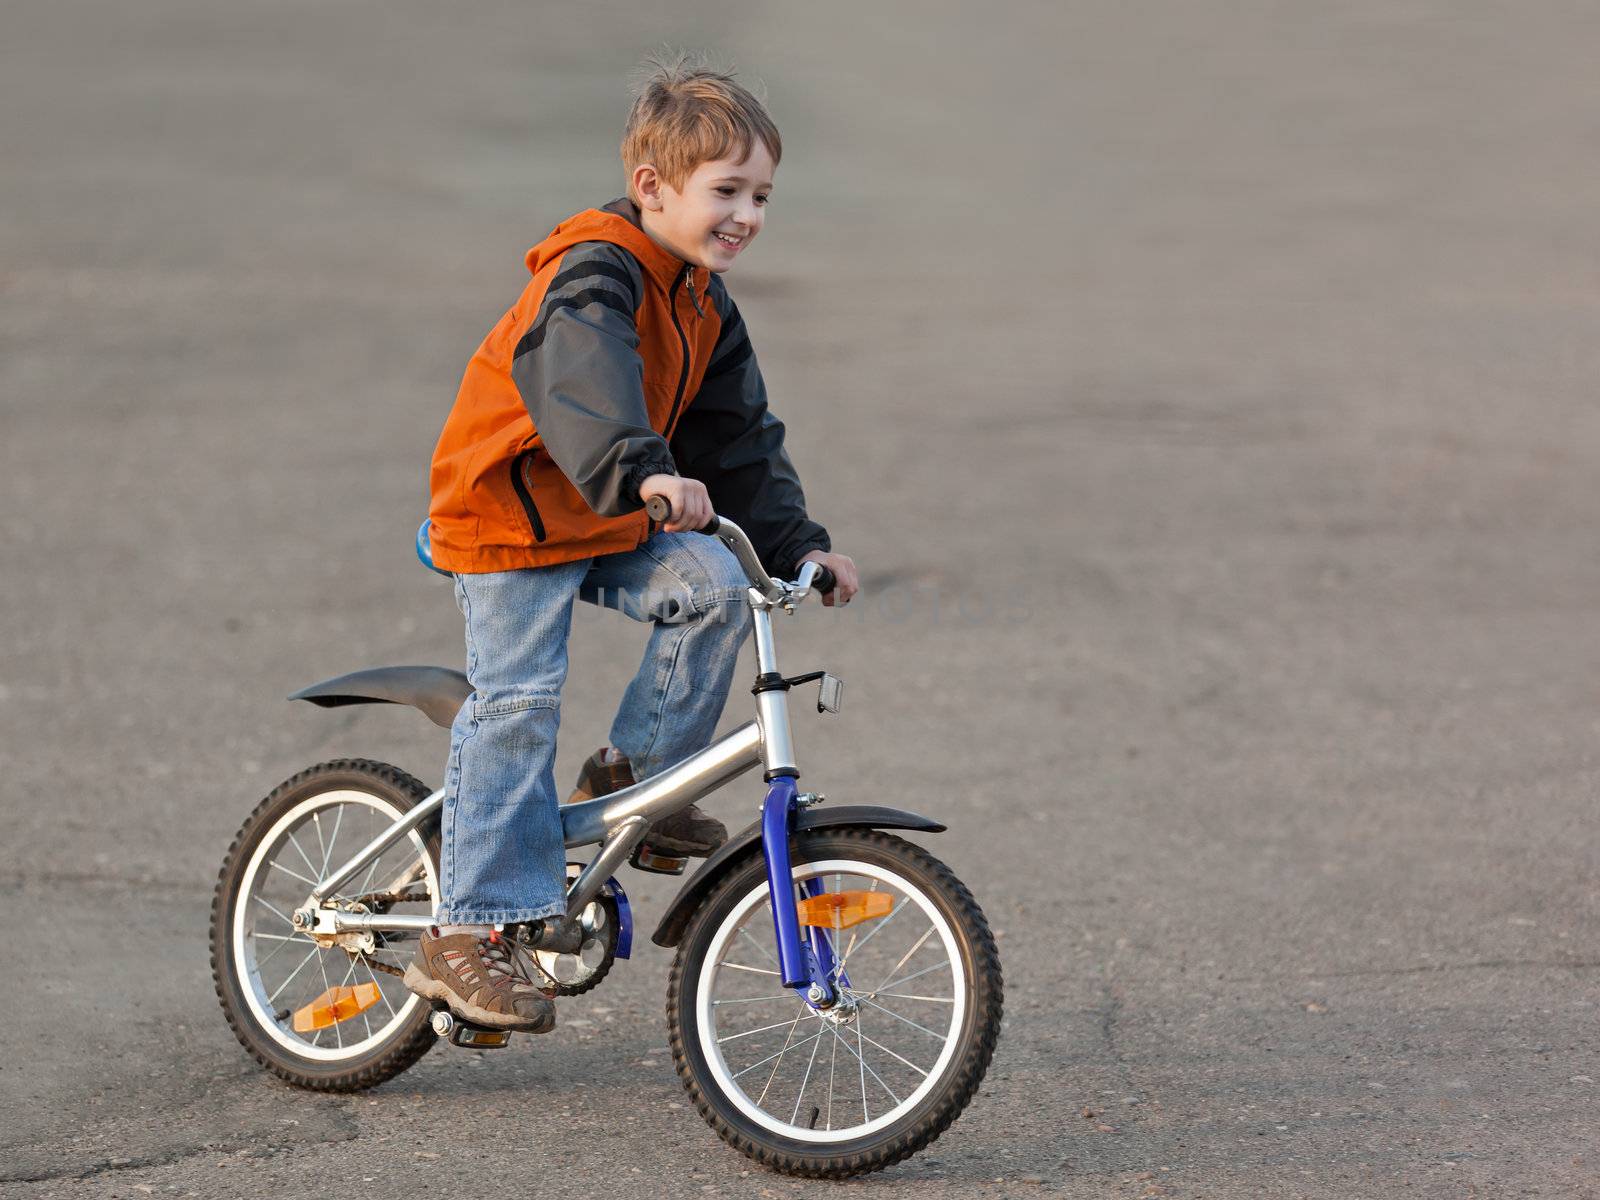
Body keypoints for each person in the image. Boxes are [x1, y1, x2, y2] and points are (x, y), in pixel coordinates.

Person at [402, 58, 859, 1032]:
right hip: (512, 514)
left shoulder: (701, 297)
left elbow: (737, 438)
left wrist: (798, 547)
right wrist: (639, 465)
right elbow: (582, 376)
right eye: (725, 191)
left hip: (603, 508)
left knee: (715, 589)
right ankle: (465, 932)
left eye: (761, 195)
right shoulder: (595, 271)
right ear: (654, 188)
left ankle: (631, 787)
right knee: (517, 700)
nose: (748, 214)